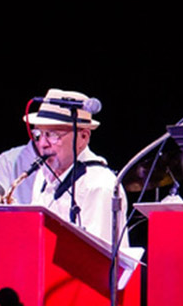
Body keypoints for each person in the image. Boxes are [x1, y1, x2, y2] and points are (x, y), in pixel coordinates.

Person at [27, 90, 117, 244]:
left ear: (83, 137)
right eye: (38, 134)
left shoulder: (100, 184)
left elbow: (98, 258)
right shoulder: (43, 175)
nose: (42, 144)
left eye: (53, 135)